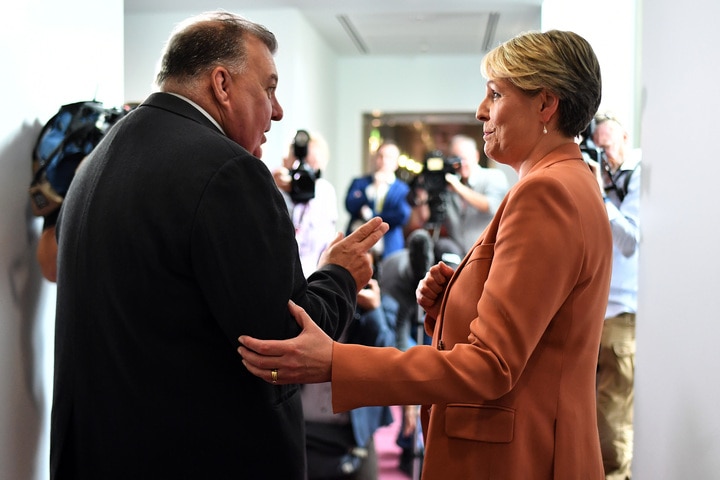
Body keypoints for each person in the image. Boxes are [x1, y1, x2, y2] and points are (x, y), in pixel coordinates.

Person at [238, 29, 613, 479]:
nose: (480, 111)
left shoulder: (546, 192)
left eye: (495, 94)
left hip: (518, 457)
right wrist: (453, 303)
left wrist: (337, 362)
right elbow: (542, 336)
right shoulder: (571, 181)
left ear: (545, 104)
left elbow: (491, 365)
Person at [50, 11, 387, 480]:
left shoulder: (98, 160)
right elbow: (283, 350)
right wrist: (341, 274)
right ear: (222, 85)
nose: (279, 110)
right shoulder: (227, 171)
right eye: (269, 88)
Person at [591, 112, 641, 480]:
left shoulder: (640, 176)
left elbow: (630, 242)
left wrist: (601, 197)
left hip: (623, 310)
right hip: (595, 308)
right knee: (592, 411)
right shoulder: (606, 176)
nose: (605, 158)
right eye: (598, 149)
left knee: (613, 414)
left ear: (624, 137)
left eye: (608, 147)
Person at [273, 130, 338, 277]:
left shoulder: (324, 191)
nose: (304, 173)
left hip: (313, 275)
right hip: (278, 275)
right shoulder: (272, 185)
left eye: (311, 168)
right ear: (286, 160)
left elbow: (326, 242)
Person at [345, 141, 412, 260]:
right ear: (375, 158)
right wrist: (372, 189)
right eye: (381, 156)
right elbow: (350, 204)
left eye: (389, 157)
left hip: (389, 248)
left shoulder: (403, 189)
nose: (384, 161)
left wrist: (372, 215)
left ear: (396, 163)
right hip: (359, 247)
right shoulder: (360, 182)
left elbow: (401, 215)